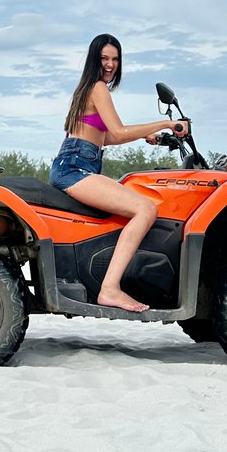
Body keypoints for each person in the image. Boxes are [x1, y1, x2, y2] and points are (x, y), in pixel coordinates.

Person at [49, 33, 189, 313]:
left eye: (115, 59)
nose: (110, 64)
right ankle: (110, 288)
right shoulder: (98, 87)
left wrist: (146, 136)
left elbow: (102, 137)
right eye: (104, 58)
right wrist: (167, 123)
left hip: (75, 162)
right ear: (94, 60)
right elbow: (119, 131)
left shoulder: (88, 88)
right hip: (76, 168)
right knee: (146, 210)